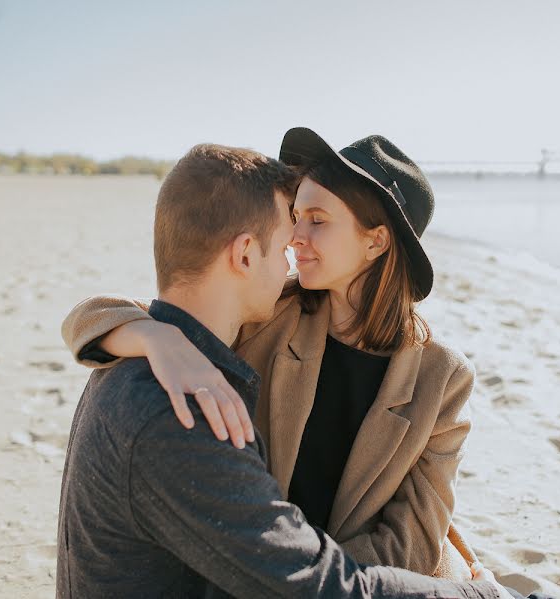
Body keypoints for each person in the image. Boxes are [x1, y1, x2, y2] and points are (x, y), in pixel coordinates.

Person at [56, 142, 513, 598]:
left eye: (317, 220)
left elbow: (413, 543)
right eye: (294, 218)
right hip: (261, 565)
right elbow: (97, 315)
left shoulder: (443, 377)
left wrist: (301, 568)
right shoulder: (267, 310)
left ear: (375, 241)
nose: (296, 237)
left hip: (309, 575)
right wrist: (156, 336)